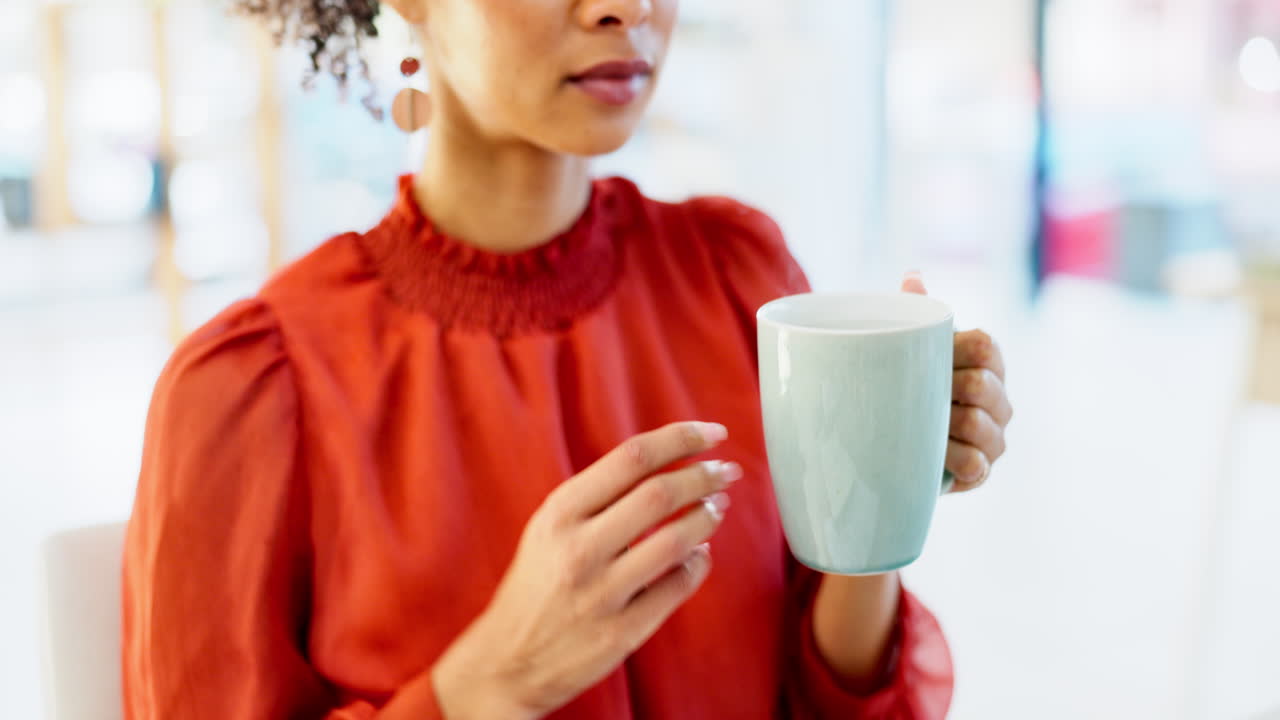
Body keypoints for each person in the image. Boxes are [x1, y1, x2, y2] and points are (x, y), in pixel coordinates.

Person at [121, 1, 1014, 718]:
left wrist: (883, 502)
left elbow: (837, 701)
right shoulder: (251, 386)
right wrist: (486, 687)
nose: (626, 9)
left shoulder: (739, 275)